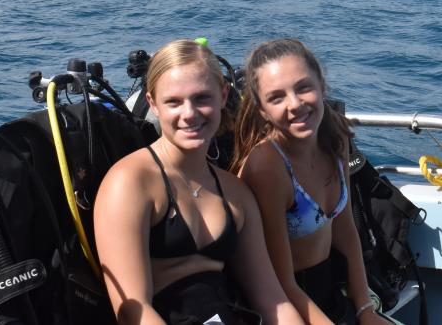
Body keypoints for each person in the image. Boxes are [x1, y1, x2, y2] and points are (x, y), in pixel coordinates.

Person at [94, 39, 304, 325]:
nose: (189, 113)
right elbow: (133, 310)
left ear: (223, 95)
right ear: (153, 104)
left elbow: (272, 301)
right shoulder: (130, 183)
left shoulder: (235, 193)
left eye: (202, 98)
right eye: (174, 102)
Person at [232, 39, 391, 325]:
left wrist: (365, 310)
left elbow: (345, 231)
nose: (295, 104)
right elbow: (281, 282)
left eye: (303, 87)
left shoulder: (334, 136)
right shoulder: (268, 167)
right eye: (276, 97)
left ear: (322, 85)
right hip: (286, 302)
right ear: (261, 109)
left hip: (331, 289)